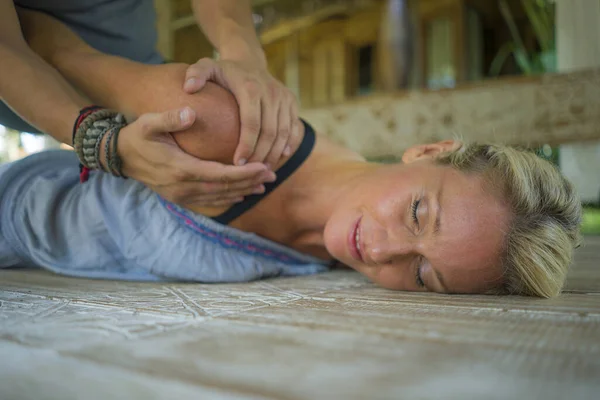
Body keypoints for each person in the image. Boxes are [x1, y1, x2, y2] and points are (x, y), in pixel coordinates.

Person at [0, 10, 583, 298]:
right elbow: (40, 39)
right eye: (416, 214)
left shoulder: (331, 257)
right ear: (428, 150)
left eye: (425, 274)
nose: (379, 252)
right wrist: (103, 143)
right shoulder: (220, 127)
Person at [0, 0, 299, 208]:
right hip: (19, 74)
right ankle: (61, 53)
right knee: (211, 119)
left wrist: (244, 58)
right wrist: (99, 140)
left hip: (135, 58)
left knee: (231, 116)